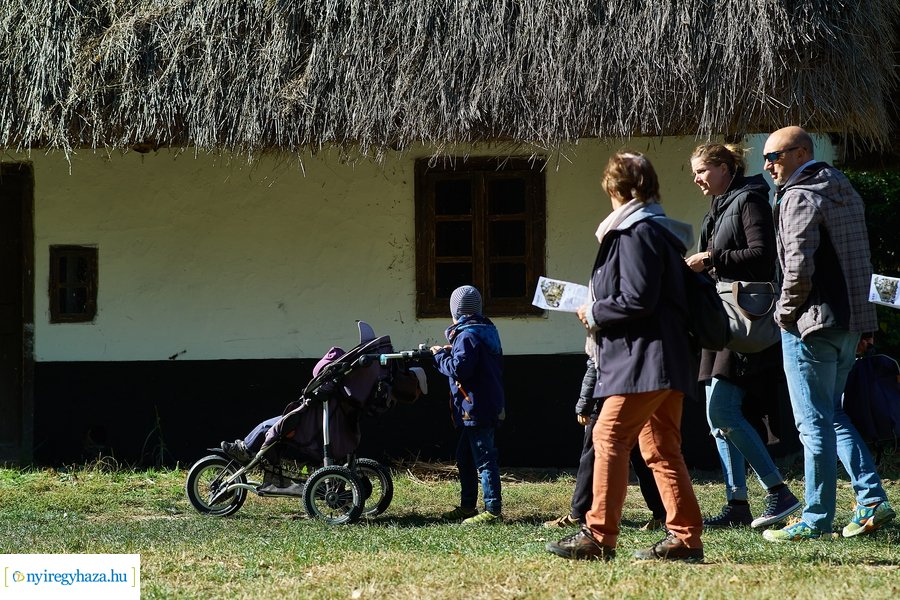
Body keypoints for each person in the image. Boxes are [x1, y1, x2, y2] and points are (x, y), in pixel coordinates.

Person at [546, 151, 704, 562]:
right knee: (661, 448)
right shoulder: (659, 231)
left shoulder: (634, 234)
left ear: (616, 189)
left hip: (643, 360)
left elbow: (638, 298)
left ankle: (598, 536)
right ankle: (685, 539)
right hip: (668, 359)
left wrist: (594, 311)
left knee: (608, 436)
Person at [761, 126, 895, 542]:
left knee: (812, 424)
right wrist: (867, 326)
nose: (768, 166)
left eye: (775, 157)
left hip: (810, 324)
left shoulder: (799, 196)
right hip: (849, 323)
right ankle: (871, 500)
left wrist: (783, 315)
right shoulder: (844, 189)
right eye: (766, 159)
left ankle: (816, 518)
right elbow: (861, 262)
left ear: (802, 153)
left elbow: (798, 269)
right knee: (832, 415)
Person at [685, 143, 801, 529]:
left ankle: (778, 492)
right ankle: (737, 503)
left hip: (742, 320)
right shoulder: (720, 206)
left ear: (724, 167)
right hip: (720, 320)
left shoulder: (749, 200)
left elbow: (762, 255)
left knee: (722, 410)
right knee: (714, 415)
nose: (697, 179)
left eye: (702, 170)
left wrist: (711, 259)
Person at [544, 356, 666, 531]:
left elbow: (596, 365)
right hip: (636, 396)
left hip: (606, 401)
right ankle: (662, 513)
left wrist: (585, 405)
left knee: (591, 458)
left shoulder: (604, 331)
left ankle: (579, 513)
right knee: (640, 456)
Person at [431, 285, 505, 525]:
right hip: (482, 404)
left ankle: (492, 510)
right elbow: (476, 359)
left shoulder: (467, 334)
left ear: (456, 311)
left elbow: (460, 369)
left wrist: (440, 356)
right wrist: (453, 351)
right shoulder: (485, 330)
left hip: (476, 406)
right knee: (464, 456)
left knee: (484, 459)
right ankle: (467, 506)